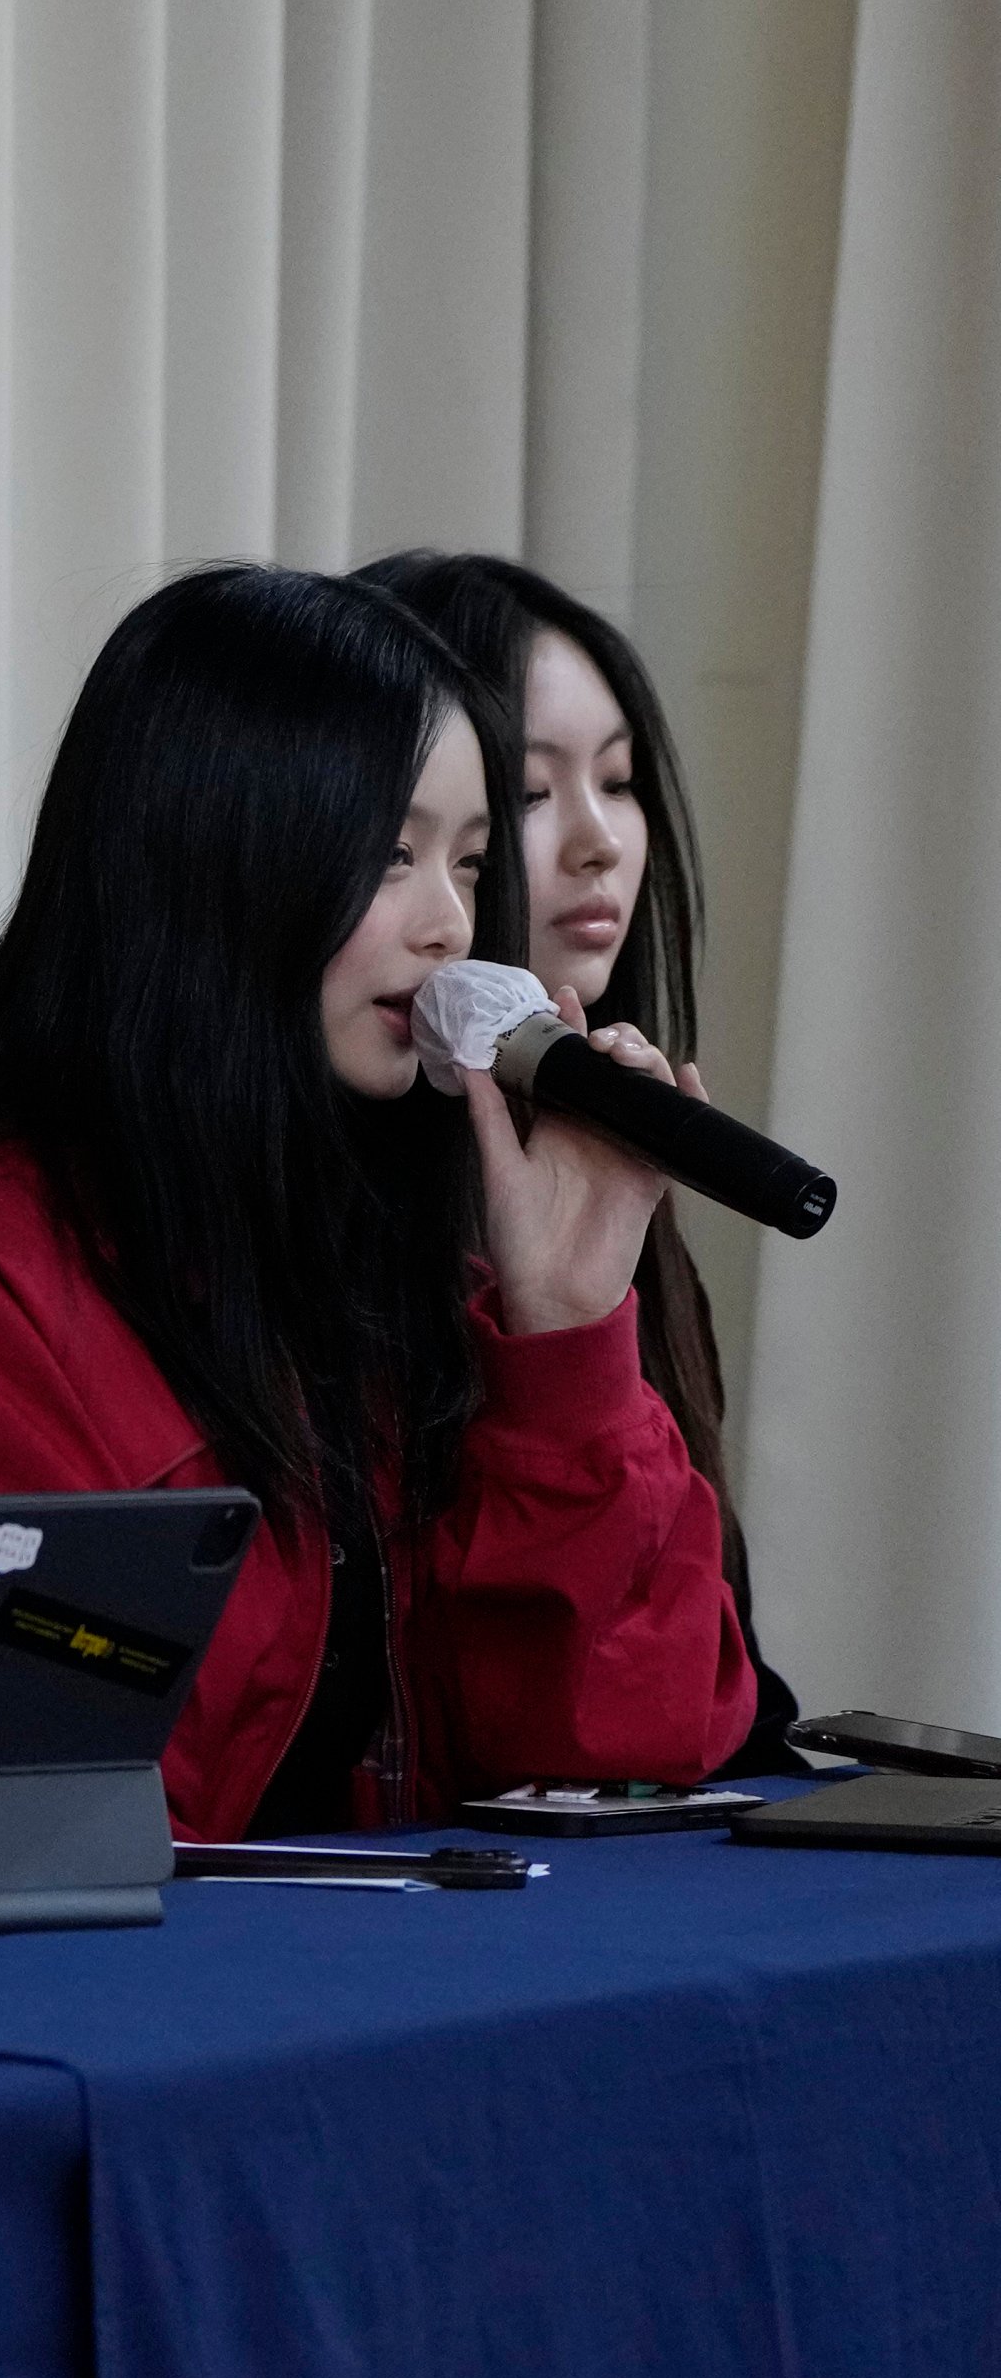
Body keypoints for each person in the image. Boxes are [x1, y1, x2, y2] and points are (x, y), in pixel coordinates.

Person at [0, 565, 754, 1840]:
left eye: (472, 863)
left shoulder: (409, 1256)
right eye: (389, 856)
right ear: (216, 866)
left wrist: (565, 1345)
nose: (451, 925)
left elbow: (630, 1756)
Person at [357, 548, 803, 1775]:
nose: (603, 843)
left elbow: (696, 1688)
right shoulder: (352, 1214)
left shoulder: (612, 1174)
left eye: (619, 781)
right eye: (537, 795)